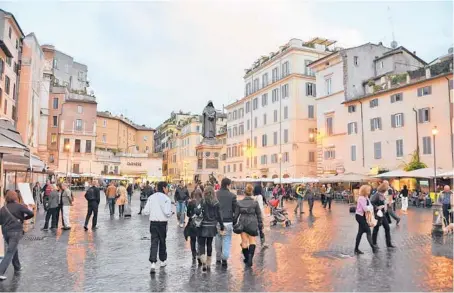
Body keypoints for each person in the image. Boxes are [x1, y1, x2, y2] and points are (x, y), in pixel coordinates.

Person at [0, 190, 34, 281]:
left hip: (5, 232)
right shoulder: (19, 206)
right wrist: (23, 218)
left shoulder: (3, 208)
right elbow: (31, 213)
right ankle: (0, 271)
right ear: (15, 197)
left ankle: (17, 267)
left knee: (13, 248)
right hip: (15, 232)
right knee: (10, 251)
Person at [143, 181, 173, 274]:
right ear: (164, 188)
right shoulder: (166, 199)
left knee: (154, 242)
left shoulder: (151, 198)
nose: (168, 189)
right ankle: (163, 261)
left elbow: (146, 211)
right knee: (162, 242)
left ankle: (152, 263)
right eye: (167, 187)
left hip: (153, 223)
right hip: (162, 223)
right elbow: (167, 212)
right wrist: (171, 213)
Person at [234, 184, 263, 267]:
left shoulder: (239, 203)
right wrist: (260, 224)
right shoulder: (255, 202)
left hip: (242, 223)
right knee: (252, 241)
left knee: (244, 242)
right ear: (251, 192)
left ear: (244, 193)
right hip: (252, 223)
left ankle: (246, 258)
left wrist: (234, 223)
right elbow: (258, 214)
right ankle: (250, 258)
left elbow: (236, 215)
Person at [198, 186, 224, 272]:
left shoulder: (202, 201)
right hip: (212, 226)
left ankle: (203, 261)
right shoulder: (216, 202)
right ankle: (208, 263)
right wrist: (222, 225)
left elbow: (197, 212)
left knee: (201, 244)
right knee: (209, 244)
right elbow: (219, 215)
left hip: (203, 225)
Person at [215, 178, 237, 267]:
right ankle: (224, 258)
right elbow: (235, 209)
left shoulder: (216, 194)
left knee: (218, 239)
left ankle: (218, 257)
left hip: (217, 221)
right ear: (228, 185)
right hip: (228, 222)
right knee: (226, 239)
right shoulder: (232, 196)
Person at [354, 185, 377, 254]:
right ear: (364, 191)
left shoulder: (366, 197)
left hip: (364, 216)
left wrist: (369, 207)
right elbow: (365, 208)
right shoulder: (361, 198)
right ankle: (373, 247)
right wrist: (369, 207)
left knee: (360, 233)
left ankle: (356, 249)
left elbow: (371, 206)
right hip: (359, 216)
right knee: (368, 230)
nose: (369, 192)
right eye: (368, 190)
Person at [371, 183, 395, 249]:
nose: (387, 189)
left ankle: (389, 243)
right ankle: (374, 243)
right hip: (378, 214)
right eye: (386, 188)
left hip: (383, 214)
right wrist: (377, 207)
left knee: (387, 228)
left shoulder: (382, 195)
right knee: (376, 229)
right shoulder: (376, 195)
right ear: (383, 189)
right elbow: (371, 203)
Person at [185, 188, 203, 263]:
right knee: (200, 240)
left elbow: (188, 214)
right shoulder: (203, 202)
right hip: (200, 223)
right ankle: (199, 253)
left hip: (192, 224)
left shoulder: (191, 202)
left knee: (193, 240)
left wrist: (192, 216)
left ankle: (193, 254)